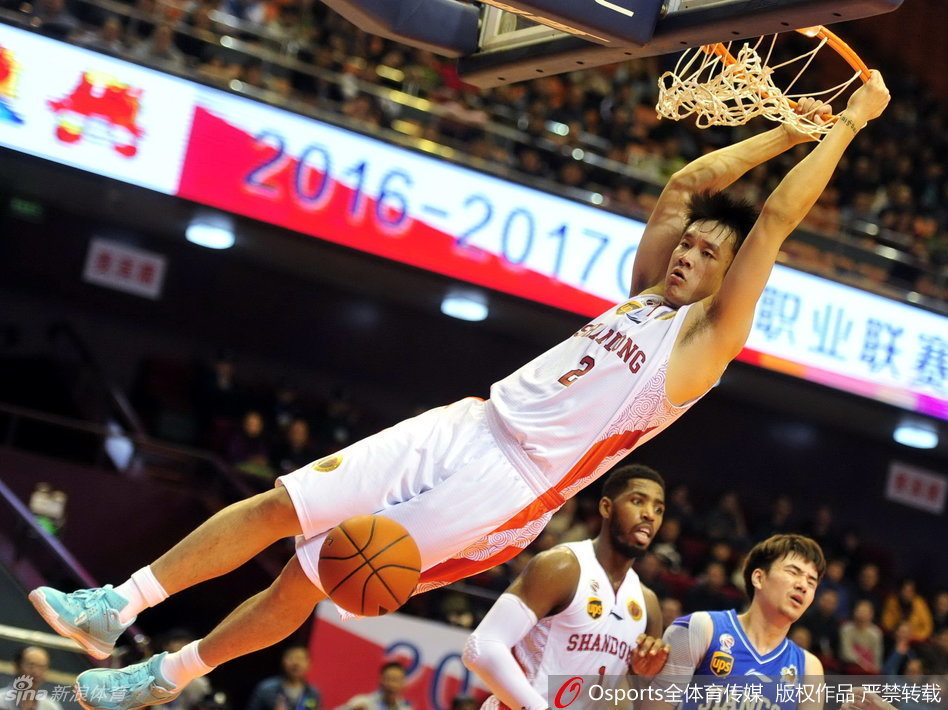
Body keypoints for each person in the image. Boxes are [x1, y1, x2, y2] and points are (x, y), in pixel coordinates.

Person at [27, 74, 891, 710]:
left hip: (509, 487)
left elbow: (770, 222)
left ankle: (162, 677)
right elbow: (683, 188)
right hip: (468, 421)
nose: (685, 254)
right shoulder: (644, 293)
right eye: (688, 246)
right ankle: (118, 604)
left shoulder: (703, 346)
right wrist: (781, 128)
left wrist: (846, 124)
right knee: (276, 505)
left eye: (705, 255)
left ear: (727, 280)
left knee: (309, 580)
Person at [463, 464, 670, 710]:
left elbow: (635, 702)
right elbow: (482, 646)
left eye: (658, 508)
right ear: (606, 507)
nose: (650, 514)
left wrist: (644, 679)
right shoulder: (563, 566)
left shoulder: (648, 603)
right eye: (638, 501)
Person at [645, 535, 827, 710]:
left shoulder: (809, 668)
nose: (803, 585)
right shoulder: (702, 628)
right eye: (793, 572)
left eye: (811, 582)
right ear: (758, 578)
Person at [246, 645, 320, 710]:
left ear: (309, 664)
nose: (296, 663)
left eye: (300, 658)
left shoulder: (313, 693)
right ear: (283, 661)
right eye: (291, 658)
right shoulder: (266, 689)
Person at [0, 646, 63, 710]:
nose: (36, 672)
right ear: (17, 667)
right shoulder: (1, 702)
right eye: (31, 666)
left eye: (42, 667)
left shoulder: (51, 707)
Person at [335, 662, 410, 710]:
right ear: (381, 681)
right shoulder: (362, 702)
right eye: (388, 679)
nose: (392, 684)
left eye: (396, 680)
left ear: (403, 684)